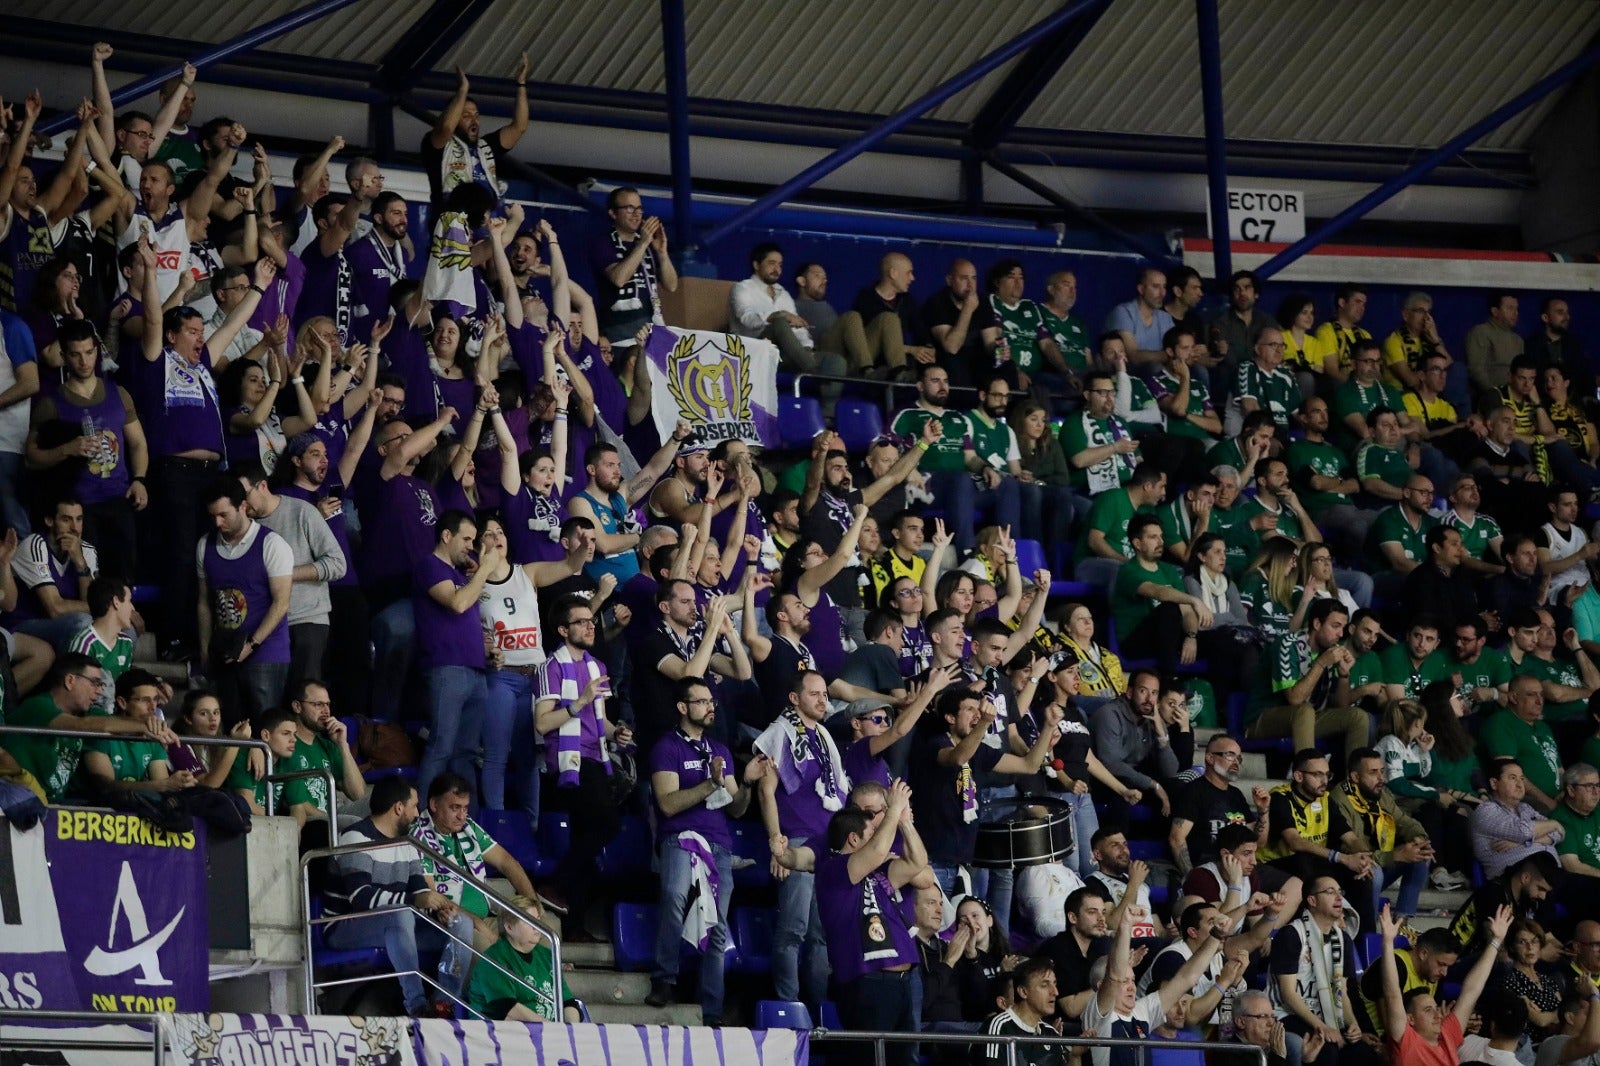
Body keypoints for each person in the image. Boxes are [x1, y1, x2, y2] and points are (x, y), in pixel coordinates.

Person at [774, 785, 930, 1066]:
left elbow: (918, 862)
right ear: (854, 840)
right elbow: (877, 849)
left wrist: (905, 822)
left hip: (904, 981)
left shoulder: (879, 869)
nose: (876, 840)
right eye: (869, 834)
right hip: (867, 981)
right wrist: (894, 808)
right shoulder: (833, 870)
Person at [322, 775, 476, 1019]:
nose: (418, 814)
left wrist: (438, 909)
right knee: (401, 914)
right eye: (414, 806)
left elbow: (418, 889)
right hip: (344, 926)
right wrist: (415, 901)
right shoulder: (355, 837)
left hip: (398, 922)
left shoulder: (408, 843)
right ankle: (416, 1005)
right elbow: (361, 899)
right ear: (398, 808)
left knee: (461, 924)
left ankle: (443, 1003)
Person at [646, 676, 751, 1024]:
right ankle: (664, 980)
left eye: (712, 702)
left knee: (719, 925)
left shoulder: (720, 751)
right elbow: (668, 804)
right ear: (683, 707)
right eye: (702, 701)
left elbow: (736, 808)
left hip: (718, 843)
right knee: (675, 896)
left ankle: (712, 1008)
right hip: (679, 837)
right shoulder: (667, 747)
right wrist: (710, 783)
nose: (710, 707)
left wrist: (746, 781)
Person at [535, 594, 631, 921]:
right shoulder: (551, 666)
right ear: (563, 629)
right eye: (581, 622)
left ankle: (571, 914)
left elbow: (597, 721)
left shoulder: (596, 665)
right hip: (569, 762)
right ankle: (553, 885)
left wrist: (615, 731)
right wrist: (579, 701)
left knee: (586, 838)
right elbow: (543, 722)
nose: (590, 627)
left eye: (591, 621)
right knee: (607, 824)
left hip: (596, 757)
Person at [890, 363, 1015, 552]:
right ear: (920, 386)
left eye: (946, 381)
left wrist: (986, 468)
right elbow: (883, 447)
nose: (943, 386)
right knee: (962, 479)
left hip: (960, 487)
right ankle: (967, 552)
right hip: (926, 484)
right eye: (935, 381)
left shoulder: (957, 418)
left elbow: (970, 458)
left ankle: (1010, 552)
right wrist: (909, 469)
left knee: (1007, 484)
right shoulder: (906, 415)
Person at [197, 477, 292, 725]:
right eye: (213, 516)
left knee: (264, 726)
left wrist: (252, 644)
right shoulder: (205, 544)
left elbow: (281, 603)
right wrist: (205, 648)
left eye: (223, 515)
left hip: (267, 651)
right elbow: (204, 602)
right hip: (226, 649)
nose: (218, 522)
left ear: (242, 506)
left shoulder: (272, 544)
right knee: (229, 725)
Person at [413, 510, 493, 801]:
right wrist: (485, 569)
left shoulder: (462, 575)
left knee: (467, 754)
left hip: (476, 670)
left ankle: (464, 825)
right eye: (466, 539)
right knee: (442, 746)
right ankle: (421, 820)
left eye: (473, 540)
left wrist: (486, 651)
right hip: (446, 668)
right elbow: (457, 604)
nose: (470, 546)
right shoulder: (430, 565)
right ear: (446, 536)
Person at [410, 772, 539, 949]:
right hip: (450, 924)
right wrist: (479, 925)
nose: (462, 816)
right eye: (455, 808)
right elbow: (434, 898)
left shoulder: (468, 827)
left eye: (465, 808)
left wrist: (534, 908)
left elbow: (507, 862)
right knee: (484, 948)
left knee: (543, 932)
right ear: (434, 804)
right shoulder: (418, 837)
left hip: (485, 920)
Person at [1083, 903, 1223, 1066]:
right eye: (1124, 981)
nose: (1131, 987)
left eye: (1133, 980)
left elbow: (1186, 978)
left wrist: (1217, 935)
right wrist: (1126, 926)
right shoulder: (1098, 1013)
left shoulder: (1142, 1011)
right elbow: (1114, 975)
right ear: (1101, 987)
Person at [1247, 599, 1370, 759]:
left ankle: (1354, 781)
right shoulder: (1287, 644)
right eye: (1335, 626)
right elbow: (1295, 698)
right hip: (1263, 718)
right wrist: (1321, 663)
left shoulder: (1330, 650)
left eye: (1343, 628)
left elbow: (1342, 705)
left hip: (1308, 717)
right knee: (1304, 711)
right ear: (1317, 624)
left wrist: (1344, 674)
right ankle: (1308, 774)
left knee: (1358, 717)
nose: (1340, 634)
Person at [1329, 747, 1434, 927]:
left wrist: (1419, 839)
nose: (1381, 779)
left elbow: (1403, 820)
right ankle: (1367, 930)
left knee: (1420, 857)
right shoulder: (1339, 799)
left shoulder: (1381, 794)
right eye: (1373, 773)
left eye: (1382, 772)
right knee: (1374, 874)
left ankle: (1401, 924)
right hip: (1347, 870)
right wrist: (1395, 856)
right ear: (1355, 777)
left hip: (1378, 859)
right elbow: (1353, 847)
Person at [1268, 874, 1364, 1063]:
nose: (1339, 897)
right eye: (1330, 892)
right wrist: (1323, 1028)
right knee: (1327, 1051)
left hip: (1328, 1015)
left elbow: (1341, 991)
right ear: (1312, 900)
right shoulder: (1291, 934)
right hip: (1287, 1015)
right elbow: (1288, 994)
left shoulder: (1343, 940)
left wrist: (1352, 1023)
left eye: (1339, 891)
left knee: (1362, 1053)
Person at [1112, 514, 1213, 676]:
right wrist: (1194, 600)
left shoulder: (1169, 570)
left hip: (1167, 637)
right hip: (1135, 642)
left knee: (1222, 640)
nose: (1161, 542)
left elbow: (1186, 611)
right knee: (1169, 609)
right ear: (1137, 543)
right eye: (1153, 537)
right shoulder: (1128, 571)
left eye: (1161, 536)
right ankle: (1168, 683)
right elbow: (1157, 591)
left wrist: (1191, 636)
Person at [422, 61, 529, 208]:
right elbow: (446, 128)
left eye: (477, 115)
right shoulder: (436, 144)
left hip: (486, 221)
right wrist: (463, 90)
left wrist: (521, 84)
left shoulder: (486, 146)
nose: (474, 121)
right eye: (466, 116)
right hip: (452, 221)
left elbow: (519, 127)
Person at [80, 669, 195, 798]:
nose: (153, 707)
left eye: (155, 700)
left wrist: (177, 783)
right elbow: (106, 787)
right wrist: (163, 785)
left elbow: (163, 785)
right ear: (122, 703)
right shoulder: (100, 724)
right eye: (145, 700)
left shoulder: (154, 734)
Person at [1169, 732, 1268, 878]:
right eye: (1230, 755)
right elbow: (1176, 838)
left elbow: (1259, 843)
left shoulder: (1236, 794)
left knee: (1294, 885)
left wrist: (1263, 811)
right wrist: (1192, 876)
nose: (1236, 762)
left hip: (1241, 867)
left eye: (1239, 758)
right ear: (1210, 758)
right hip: (1212, 868)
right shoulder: (1193, 791)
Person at [466, 895, 579, 1023]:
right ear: (509, 927)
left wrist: (571, 1030)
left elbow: (567, 1002)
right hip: (501, 1034)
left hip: (548, 1034)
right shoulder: (493, 960)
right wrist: (550, 1029)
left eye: (538, 919)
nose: (537, 926)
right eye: (529, 921)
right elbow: (507, 1009)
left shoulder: (547, 956)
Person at [1090, 669, 1179, 822]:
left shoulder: (1154, 720)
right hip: (1103, 780)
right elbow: (1110, 764)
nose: (1149, 699)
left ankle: (1169, 843)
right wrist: (1152, 784)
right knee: (1123, 787)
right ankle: (1117, 842)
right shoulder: (1109, 714)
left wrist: (1161, 735)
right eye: (1143, 691)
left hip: (1134, 776)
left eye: (1154, 693)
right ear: (1130, 692)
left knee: (1177, 787)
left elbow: (1170, 771)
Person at [1481, 674, 1565, 813]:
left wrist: (1565, 793)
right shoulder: (1501, 723)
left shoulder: (1544, 727)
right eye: (1532, 695)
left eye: (1541, 695)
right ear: (1513, 697)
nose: (1539, 701)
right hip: (1527, 801)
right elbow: (1509, 775)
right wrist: (1549, 803)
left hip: (1557, 799)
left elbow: (1560, 768)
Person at [1470, 758, 1562, 879]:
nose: (1520, 784)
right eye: (1513, 778)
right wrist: (1554, 823)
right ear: (1494, 783)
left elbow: (1559, 834)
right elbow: (1524, 831)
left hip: (1551, 875)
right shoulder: (1486, 811)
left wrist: (1523, 842)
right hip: (1517, 883)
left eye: (1522, 779)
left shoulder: (1526, 808)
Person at [920, 258, 1000, 388]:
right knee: (954, 360)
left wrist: (999, 351)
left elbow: (990, 342)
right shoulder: (937, 302)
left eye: (974, 278)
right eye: (964, 279)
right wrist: (968, 309)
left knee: (1006, 365)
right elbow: (951, 347)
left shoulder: (983, 301)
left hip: (976, 358)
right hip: (948, 358)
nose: (970, 285)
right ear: (949, 280)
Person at [976, 956, 1067, 1066]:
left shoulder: (1051, 1033)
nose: (1055, 992)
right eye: (1044, 985)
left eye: (1055, 984)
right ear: (1023, 992)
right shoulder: (999, 1027)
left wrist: (1075, 1056)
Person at [1106, 266, 1175, 369]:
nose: (1162, 293)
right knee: (1154, 367)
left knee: (1197, 370)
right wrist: (1169, 355)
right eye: (1156, 287)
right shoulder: (1124, 312)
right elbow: (1133, 357)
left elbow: (1178, 349)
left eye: (1164, 287)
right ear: (1141, 289)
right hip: (1127, 373)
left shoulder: (1165, 318)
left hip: (1162, 373)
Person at [1467, 291, 1526, 395]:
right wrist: (1495, 394)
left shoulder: (1518, 340)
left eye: (1517, 309)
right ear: (1495, 311)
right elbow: (1476, 370)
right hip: (1490, 397)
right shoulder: (1481, 332)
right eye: (1510, 308)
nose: (1516, 313)